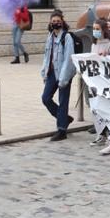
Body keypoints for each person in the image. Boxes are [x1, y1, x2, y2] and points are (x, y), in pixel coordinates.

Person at [87, 20, 110, 155]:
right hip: (96, 82)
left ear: (103, 30)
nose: (95, 31)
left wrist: (106, 58)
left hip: (107, 84)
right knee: (96, 108)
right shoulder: (93, 45)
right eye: (94, 28)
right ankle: (101, 133)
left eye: (98, 28)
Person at [41, 10, 76, 141]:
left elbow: (68, 58)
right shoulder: (50, 36)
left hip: (63, 73)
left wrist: (64, 78)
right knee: (46, 98)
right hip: (51, 73)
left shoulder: (66, 37)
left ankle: (62, 130)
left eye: (58, 21)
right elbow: (46, 55)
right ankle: (65, 119)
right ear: (50, 23)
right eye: (53, 21)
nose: (56, 23)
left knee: (63, 102)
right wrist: (44, 72)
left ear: (62, 22)